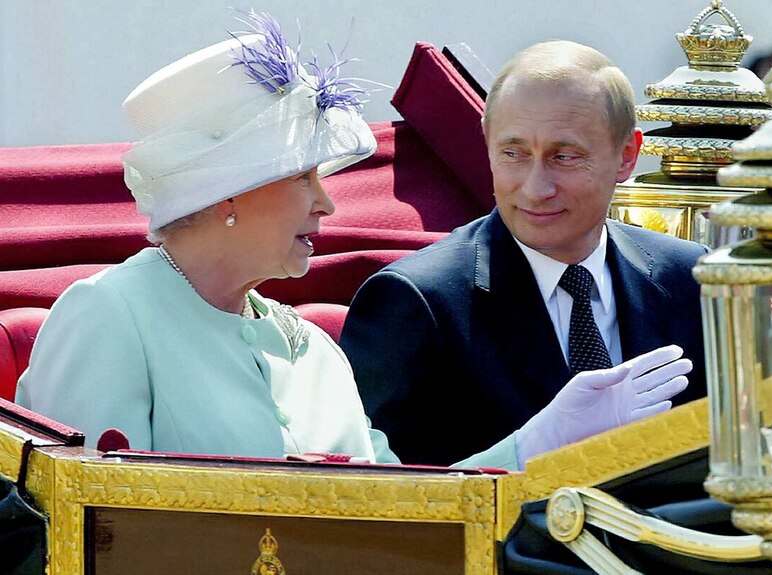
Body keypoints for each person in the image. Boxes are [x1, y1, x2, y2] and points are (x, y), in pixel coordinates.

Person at [16, 11, 397, 462]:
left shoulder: (315, 349)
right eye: (302, 177)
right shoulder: (108, 315)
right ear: (227, 194)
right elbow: (97, 518)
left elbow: (408, 505)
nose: (326, 204)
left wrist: (505, 463)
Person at [340, 40, 707, 469]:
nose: (535, 188)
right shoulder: (419, 302)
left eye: (564, 157)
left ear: (627, 156)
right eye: (513, 154)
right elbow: (383, 503)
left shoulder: (690, 278)